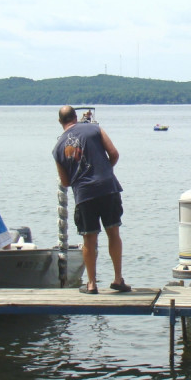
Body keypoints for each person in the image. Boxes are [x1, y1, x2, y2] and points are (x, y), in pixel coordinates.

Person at [53, 105, 129, 294]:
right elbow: (114, 154)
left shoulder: (58, 147)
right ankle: (118, 279)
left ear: (60, 121)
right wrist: (104, 171)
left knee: (89, 239)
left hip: (84, 193)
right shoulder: (95, 129)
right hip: (107, 187)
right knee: (113, 233)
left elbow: (65, 181)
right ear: (76, 117)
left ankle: (92, 284)